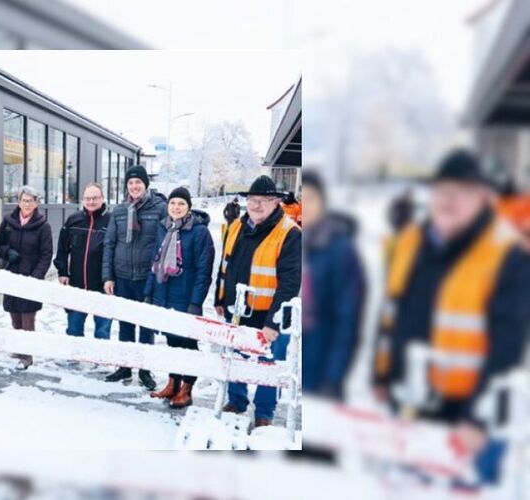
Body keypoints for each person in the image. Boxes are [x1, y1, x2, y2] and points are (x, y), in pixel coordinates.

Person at [372, 149, 530, 485]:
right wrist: (382, 374)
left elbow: (507, 346)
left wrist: (477, 418)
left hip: (467, 414)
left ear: (483, 197)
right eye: (443, 191)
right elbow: (391, 312)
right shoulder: (411, 240)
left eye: (463, 192)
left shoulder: (507, 253)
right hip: (410, 400)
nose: (449, 201)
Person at [216, 175, 302, 428]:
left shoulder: (289, 233)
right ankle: (237, 401)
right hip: (237, 309)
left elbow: (290, 284)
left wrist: (274, 323)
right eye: (253, 200)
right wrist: (220, 297)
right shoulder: (236, 226)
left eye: (264, 200)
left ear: (276, 203)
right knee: (237, 358)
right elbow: (224, 265)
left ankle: (264, 412)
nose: (257, 205)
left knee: (269, 364)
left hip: (268, 314)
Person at [144, 187, 215, 408]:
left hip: (186, 298)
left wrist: (196, 302)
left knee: (188, 343)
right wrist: (149, 293)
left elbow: (204, 270)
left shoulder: (199, 232)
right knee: (172, 341)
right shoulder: (163, 228)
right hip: (164, 294)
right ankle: (173, 383)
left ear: (189, 207)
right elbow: (154, 263)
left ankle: (187, 389)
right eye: (173, 203)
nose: (176, 207)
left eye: (181, 203)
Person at [301, 170, 365, 399]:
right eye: (301, 198)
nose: (305, 206)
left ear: (323, 202)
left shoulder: (340, 248)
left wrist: (334, 376)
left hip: (322, 361)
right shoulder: (300, 240)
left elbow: (348, 318)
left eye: (311, 198)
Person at [102, 165, 166, 390]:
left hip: (147, 276)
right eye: (130, 182)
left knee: (146, 325)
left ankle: (145, 369)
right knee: (125, 323)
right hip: (122, 276)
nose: (134, 186)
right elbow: (109, 243)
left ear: (145, 185)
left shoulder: (159, 208)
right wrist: (108, 277)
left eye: (138, 182)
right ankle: (125, 366)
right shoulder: (119, 210)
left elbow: (165, 243)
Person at [0, 186, 53, 370]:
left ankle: (27, 355)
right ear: (19, 202)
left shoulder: (43, 226)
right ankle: (20, 348)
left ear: (36, 203)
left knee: (28, 319)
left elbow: (46, 255)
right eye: (24, 200)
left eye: (31, 201)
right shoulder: (8, 221)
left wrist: (34, 278)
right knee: (14, 316)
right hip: (12, 276)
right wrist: (7, 252)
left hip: (31, 278)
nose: (27, 204)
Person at [53, 182, 112, 339]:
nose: (91, 202)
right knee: (74, 330)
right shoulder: (73, 220)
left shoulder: (111, 221)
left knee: (102, 332)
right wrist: (62, 272)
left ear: (102, 198)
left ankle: (100, 354)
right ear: (83, 199)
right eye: (87, 198)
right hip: (77, 285)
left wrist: (111, 278)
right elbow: (62, 248)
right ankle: (75, 354)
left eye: (95, 198)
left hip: (102, 287)